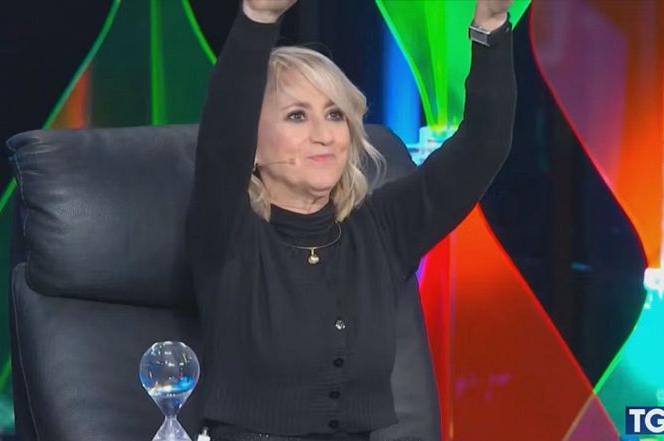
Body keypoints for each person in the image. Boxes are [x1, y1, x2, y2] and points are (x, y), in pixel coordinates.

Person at [186, 0, 516, 439]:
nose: (324, 135)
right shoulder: (229, 235)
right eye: (297, 116)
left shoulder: (381, 230)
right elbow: (223, 145)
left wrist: (490, 24)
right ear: (254, 147)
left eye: (335, 115)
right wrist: (258, 19)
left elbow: (482, 148)